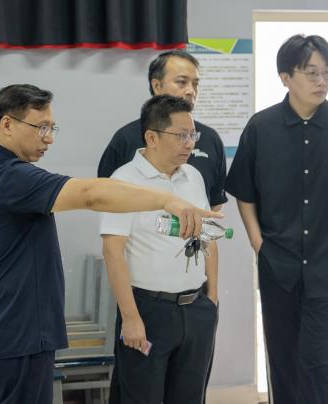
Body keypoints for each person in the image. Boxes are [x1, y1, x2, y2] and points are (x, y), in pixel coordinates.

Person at [0, 84, 220, 404]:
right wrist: (167, 200)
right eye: (42, 127)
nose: (49, 138)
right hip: (20, 335)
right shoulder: (8, 176)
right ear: (7, 124)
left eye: (52, 129)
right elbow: (90, 195)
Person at [225, 34, 328, 404]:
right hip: (278, 267)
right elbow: (244, 194)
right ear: (285, 77)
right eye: (311, 73)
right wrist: (258, 243)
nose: (321, 80)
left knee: (319, 365)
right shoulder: (261, 128)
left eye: (327, 72)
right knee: (283, 362)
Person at [97, 49, 226, 400]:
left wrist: (212, 298)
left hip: (195, 307)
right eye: (181, 136)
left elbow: (209, 237)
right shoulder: (124, 180)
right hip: (149, 308)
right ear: (152, 137)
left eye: (192, 136)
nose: (190, 144)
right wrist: (131, 317)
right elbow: (112, 251)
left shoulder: (193, 176)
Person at [97, 50, 227, 212]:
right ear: (157, 86)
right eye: (181, 82)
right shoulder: (125, 138)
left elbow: (214, 203)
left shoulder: (210, 139)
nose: (191, 91)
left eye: (195, 84)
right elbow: (106, 200)